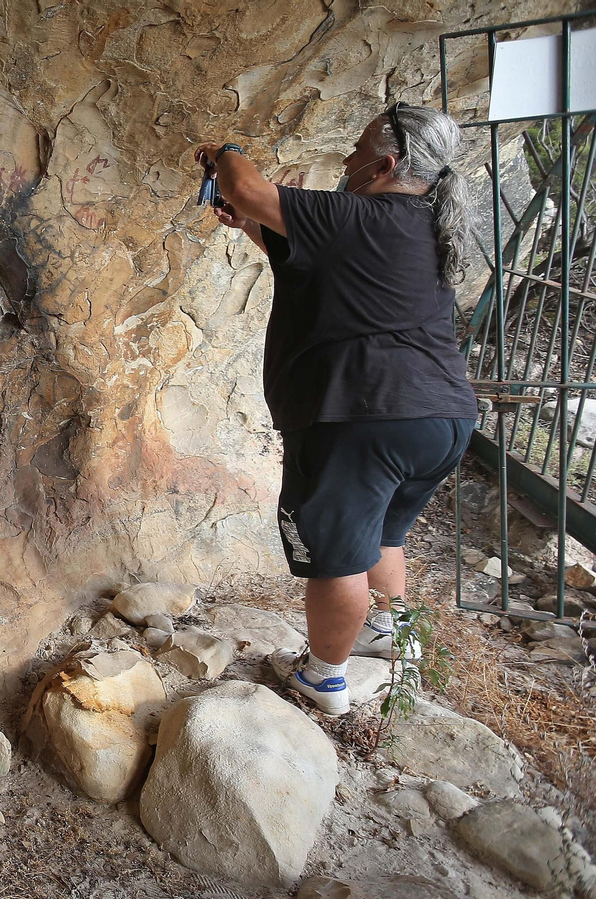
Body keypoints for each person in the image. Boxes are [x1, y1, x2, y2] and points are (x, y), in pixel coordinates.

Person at [193, 103, 478, 716]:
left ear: (386, 164)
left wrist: (223, 152)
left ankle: (325, 675)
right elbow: (321, 268)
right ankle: (389, 631)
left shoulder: (360, 213)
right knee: (379, 532)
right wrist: (252, 224)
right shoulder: (426, 226)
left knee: (337, 554)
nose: (347, 161)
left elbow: (246, 186)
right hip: (442, 420)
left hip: (362, 415)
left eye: (356, 152)